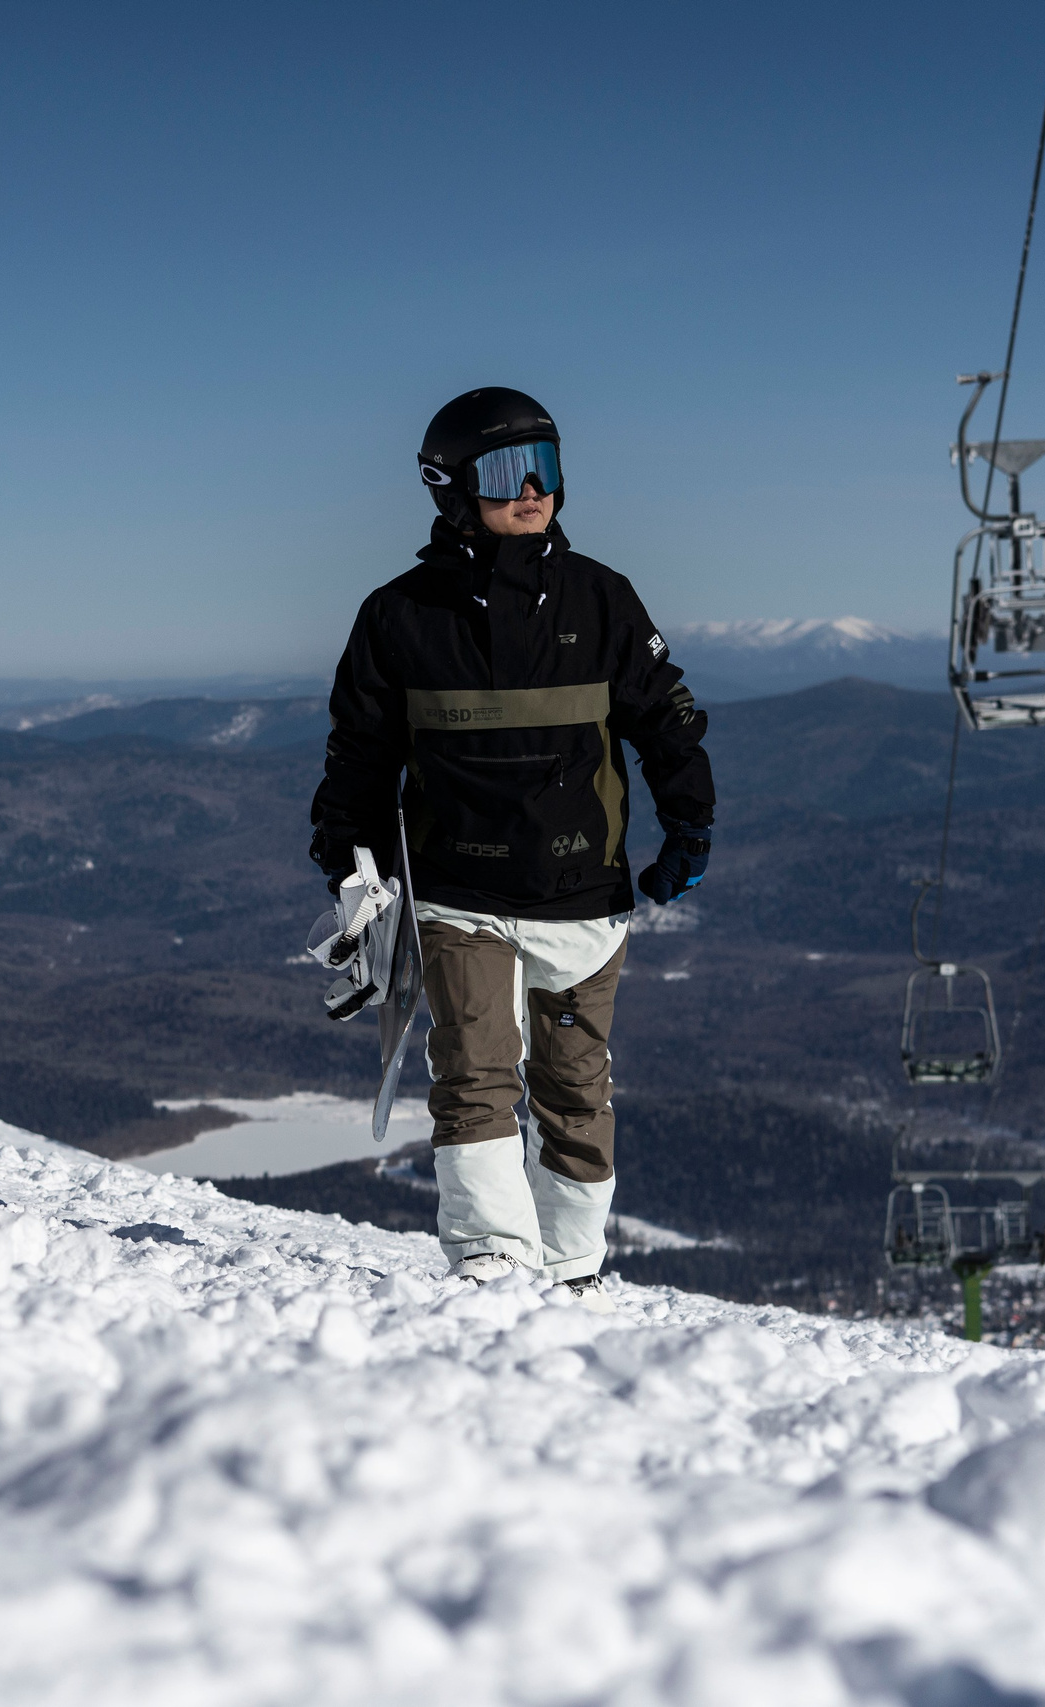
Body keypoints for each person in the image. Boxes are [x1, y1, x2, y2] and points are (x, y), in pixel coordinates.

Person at [309, 387, 715, 1304]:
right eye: (505, 471)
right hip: (458, 893)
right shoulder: (399, 617)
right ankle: (493, 1259)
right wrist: (352, 867)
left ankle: (571, 1269)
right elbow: (359, 761)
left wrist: (691, 823)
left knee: (574, 1086)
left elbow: (668, 722)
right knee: (475, 1068)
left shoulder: (603, 600)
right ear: (450, 488)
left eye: (549, 467)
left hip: (582, 895)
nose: (533, 490)